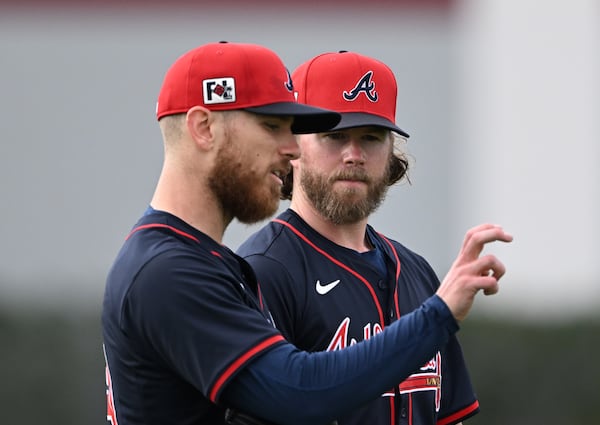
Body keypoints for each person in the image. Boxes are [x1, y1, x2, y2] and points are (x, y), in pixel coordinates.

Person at [102, 41, 513, 425]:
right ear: (204, 128)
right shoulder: (168, 271)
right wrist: (438, 315)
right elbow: (299, 390)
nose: (291, 148)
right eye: (272, 127)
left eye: (371, 137)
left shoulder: (198, 260)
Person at [237, 51, 500, 425]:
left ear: (392, 153)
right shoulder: (263, 271)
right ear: (292, 148)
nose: (354, 155)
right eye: (335, 136)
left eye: (372, 137)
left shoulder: (417, 272)